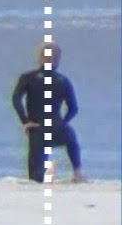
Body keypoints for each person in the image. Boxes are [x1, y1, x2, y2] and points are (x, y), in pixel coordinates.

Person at [11, 41, 85, 183]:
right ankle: (78, 173)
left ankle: (47, 172)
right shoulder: (63, 80)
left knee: (35, 179)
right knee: (71, 138)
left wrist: (25, 122)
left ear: (39, 57)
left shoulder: (28, 78)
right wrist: (62, 123)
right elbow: (73, 108)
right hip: (58, 128)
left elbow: (16, 100)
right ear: (58, 59)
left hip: (37, 129)